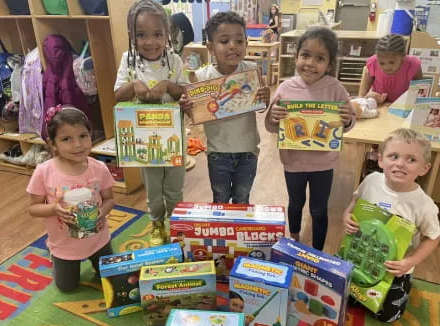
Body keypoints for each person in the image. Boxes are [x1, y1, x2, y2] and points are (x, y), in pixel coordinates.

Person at [265, 27, 357, 250]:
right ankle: (294, 239)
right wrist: (274, 117)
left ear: (330, 63)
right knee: (295, 203)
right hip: (293, 162)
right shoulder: (285, 88)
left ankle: (318, 251)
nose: (310, 63)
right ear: (296, 56)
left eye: (320, 58)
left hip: (323, 163)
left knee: (318, 209)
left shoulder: (336, 89)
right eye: (305, 55)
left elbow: (349, 122)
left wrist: (346, 119)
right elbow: (270, 126)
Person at [343, 128, 440, 322]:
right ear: (380, 160)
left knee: (388, 316)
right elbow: (354, 204)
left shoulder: (423, 205)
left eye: (411, 159)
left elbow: (433, 237)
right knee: (345, 297)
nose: (400, 164)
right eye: (393, 156)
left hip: (394, 268)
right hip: (360, 255)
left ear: (424, 168)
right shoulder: (371, 181)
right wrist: (346, 216)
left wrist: (409, 263)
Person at [114, 0, 188, 246]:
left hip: (174, 139)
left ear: (167, 34)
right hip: (144, 141)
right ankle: (156, 223)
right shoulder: (128, 60)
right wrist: (134, 86)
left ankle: (177, 225)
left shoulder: (174, 60)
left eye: (158, 34)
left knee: (175, 188)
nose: (150, 41)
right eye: (141, 35)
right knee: (153, 188)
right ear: (131, 36)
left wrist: (167, 86)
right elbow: (117, 95)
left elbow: (185, 94)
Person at [180, 11, 270, 204]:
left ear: (246, 44)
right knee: (220, 199)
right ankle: (221, 234)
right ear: (211, 47)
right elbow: (196, 114)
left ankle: (238, 233)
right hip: (218, 153)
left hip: (247, 151)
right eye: (224, 41)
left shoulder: (251, 71)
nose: (233, 46)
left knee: (242, 199)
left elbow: (261, 107)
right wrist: (187, 107)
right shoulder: (202, 77)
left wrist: (265, 98)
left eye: (239, 41)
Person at [27, 106, 116, 292]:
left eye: (83, 136)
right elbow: (33, 208)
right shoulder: (44, 171)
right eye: (66, 139)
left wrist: (102, 212)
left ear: (91, 135)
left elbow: (109, 199)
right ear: (53, 144)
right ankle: (53, 254)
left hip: (98, 240)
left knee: (112, 279)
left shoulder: (99, 168)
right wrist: (53, 209)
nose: (77, 145)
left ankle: (96, 260)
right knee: (67, 288)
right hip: (64, 245)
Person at [360, 34, 423, 104]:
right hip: (379, 104)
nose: (386, 67)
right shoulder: (373, 63)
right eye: (382, 63)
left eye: (391, 62)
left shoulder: (413, 65)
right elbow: (361, 98)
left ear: (403, 56)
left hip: (403, 106)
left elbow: (420, 93)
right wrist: (368, 96)